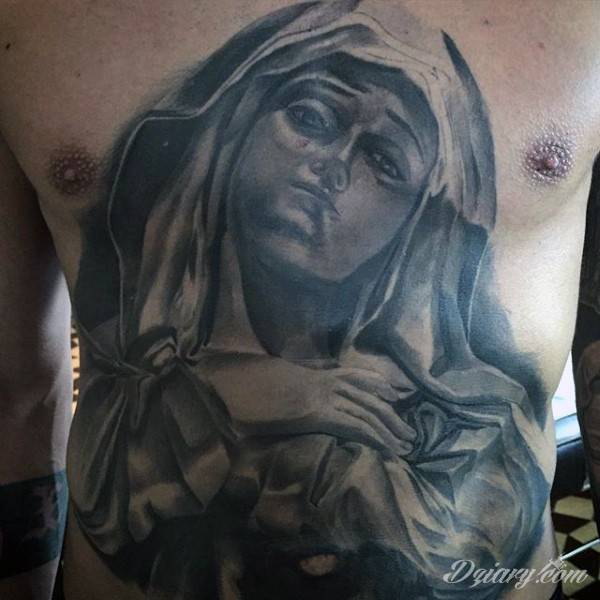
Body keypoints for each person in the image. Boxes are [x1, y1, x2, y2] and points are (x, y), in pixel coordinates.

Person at [0, 1, 599, 599]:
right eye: (311, 117)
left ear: (420, 217)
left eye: (383, 159)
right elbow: (15, 399)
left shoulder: (462, 419)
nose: (331, 167)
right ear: (237, 124)